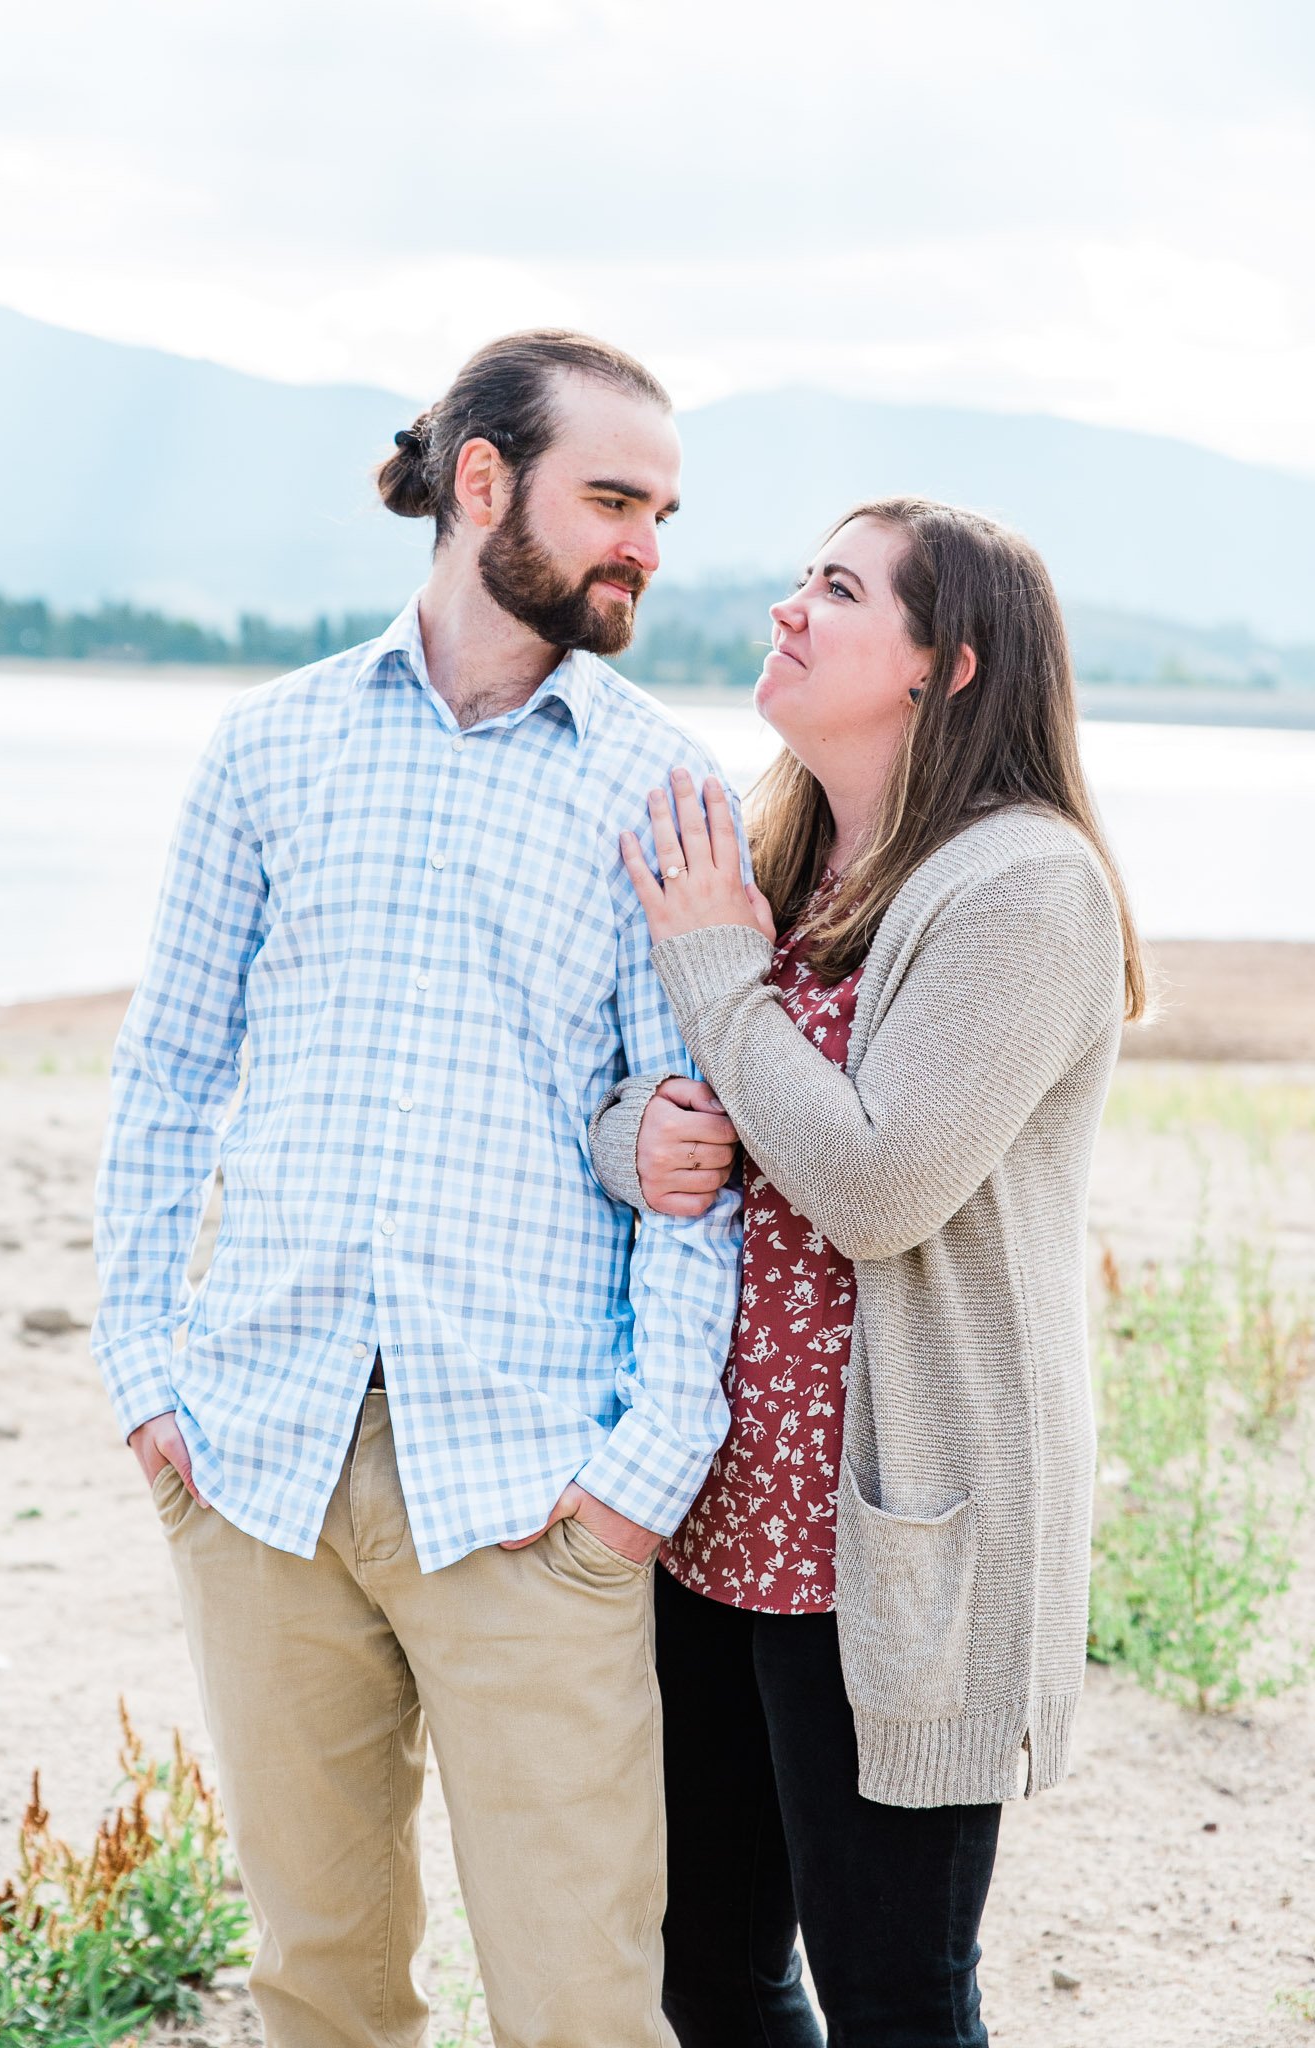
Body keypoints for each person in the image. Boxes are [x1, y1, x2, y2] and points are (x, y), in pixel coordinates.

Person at [90, 330, 745, 2048]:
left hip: (534, 1485)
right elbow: (167, 1077)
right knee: (320, 1982)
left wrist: (641, 1474)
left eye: (662, 511)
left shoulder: (666, 788)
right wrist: (146, 1379)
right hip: (258, 1466)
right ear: (479, 484)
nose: (647, 549)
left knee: (582, 2004)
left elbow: (696, 1139)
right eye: (614, 500)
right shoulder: (265, 749)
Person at [588, 496, 1146, 2048]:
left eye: (836, 589)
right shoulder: (771, 852)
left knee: (896, 1997)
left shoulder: (1026, 888)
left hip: (896, 1542)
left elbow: (881, 1184)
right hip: (717, 1511)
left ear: (944, 667)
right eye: (797, 578)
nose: (787, 607)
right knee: (709, 1970)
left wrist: (715, 976)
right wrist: (639, 1129)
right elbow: (650, 1078)